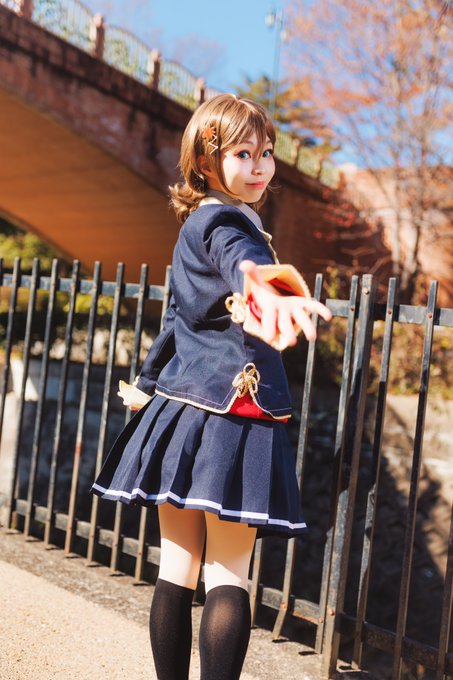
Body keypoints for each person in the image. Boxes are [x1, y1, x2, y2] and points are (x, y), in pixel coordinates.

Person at [91, 93, 332, 680]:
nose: (260, 166)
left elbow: (176, 320)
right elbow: (243, 263)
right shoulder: (227, 223)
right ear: (205, 161)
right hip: (233, 413)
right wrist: (267, 286)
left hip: (179, 411)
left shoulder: (193, 225)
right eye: (243, 154)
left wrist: (147, 384)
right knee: (228, 574)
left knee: (176, 569)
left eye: (266, 152)